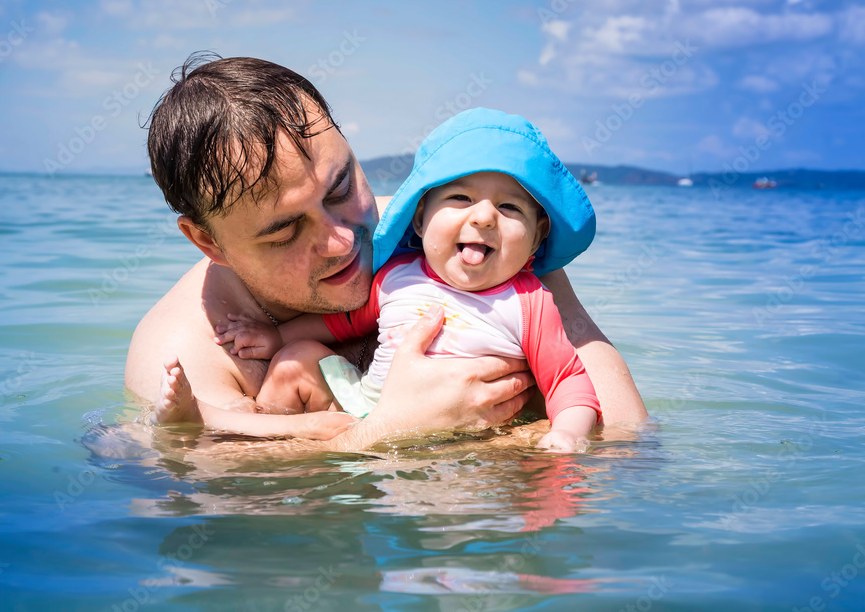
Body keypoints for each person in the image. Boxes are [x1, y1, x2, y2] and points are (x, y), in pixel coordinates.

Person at [124, 54, 647, 451]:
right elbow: (196, 481)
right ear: (208, 242)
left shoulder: (458, 235)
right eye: (284, 231)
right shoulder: (184, 352)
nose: (344, 240)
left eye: (340, 188)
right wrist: (391, 431)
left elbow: (625, 437)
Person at [187, 109, 602, 451]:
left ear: (535, 239)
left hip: (469, 431)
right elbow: (343, 324)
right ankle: (269, 449)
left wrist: (566, 433)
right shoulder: (396, 276)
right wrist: (277, 339)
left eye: (510, 207)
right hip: (370, 408)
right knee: (296, 359)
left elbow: (569, 380)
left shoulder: (529, 302)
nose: (483, 216)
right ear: (419, 218)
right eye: (460, 198)